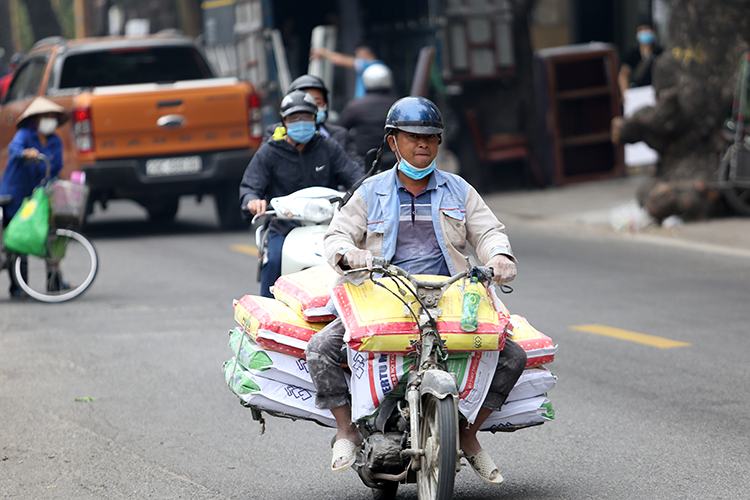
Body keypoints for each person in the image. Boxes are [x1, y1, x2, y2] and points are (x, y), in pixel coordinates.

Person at [305, 97, 527, 484]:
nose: (423, 144)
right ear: (393, 142)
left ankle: (468, 437)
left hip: (451, 298)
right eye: (413, 136)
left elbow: (489, 232)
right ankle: (347, 431)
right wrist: (350, 254)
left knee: (512, 355)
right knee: (321, 348)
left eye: (431, 137)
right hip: (380, 297)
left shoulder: (459, 191)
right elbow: (336, 236)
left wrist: (500, 256)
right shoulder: (370, 192)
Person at [240, 90, 364, 298]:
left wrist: (366, 193)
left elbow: (355, 177)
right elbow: (250, 186)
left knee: (355, 264)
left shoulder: (328, 147)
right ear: (283, 121)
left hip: (328, 227)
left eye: (306, 117)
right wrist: (252, 200)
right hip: (284, 228)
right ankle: (267, 319)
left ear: (315, 119)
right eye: (294, 118)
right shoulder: (269, 151)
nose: (301, 122)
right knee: (275, 260)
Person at [0, 97, 67, 298]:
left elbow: (56, 168)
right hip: (15, 193)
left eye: (52, 117)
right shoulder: (25, 135)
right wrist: (26, 153)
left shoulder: (55, 141)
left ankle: (54, 281)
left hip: (39, 196)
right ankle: (18, 287)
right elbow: (14, 148)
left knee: (51, 235)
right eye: (46, 116)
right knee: (18, 240)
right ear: (36, 120)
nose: (49, 120)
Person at [263, 74, 361, 165]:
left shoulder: (338, 135)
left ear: (326, 105)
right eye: (305, 104)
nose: (311, 109)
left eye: (317, 103)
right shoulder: (275, 133)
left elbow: (355, 171)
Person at [337, 64, 399, 159]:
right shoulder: (398, 105)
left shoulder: (356, 105)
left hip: (363, 161)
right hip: (395, 158)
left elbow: (340, 129)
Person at [309, 45, 382, 99]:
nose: (357, 58)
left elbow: (341, 61)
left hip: (367, 103)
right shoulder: (376, 65)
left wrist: (324, 53)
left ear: (366, 53)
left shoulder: (372, 65)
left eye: (358, 55)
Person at [617, 22, 663, 95]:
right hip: (638, 92)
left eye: (647, 30)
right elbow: (623, 74)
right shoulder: (632, 54)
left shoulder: (661, 53)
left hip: (658, 90)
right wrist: (626, 94)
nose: (645, 32)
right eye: (641, 30)